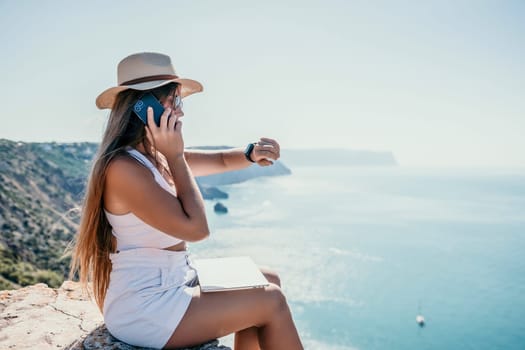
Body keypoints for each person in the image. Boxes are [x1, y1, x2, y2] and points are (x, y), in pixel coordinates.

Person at [69, 52, 303, 350]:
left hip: (174, 279)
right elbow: (196, 229)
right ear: (145, 108)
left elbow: (218, 160)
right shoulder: (124, 169)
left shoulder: (151, 159)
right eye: (175, 101)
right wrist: (176, 156)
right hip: (146, 307)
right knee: (271, 301)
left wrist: (250, 153)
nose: (180, 112)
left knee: (268, 278)